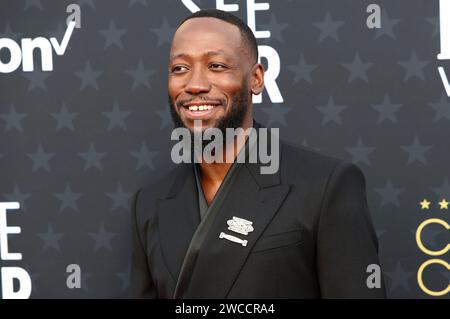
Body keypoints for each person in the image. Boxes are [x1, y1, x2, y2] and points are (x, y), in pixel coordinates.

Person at [130, 9, 386, 298]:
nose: (195, 84)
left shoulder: (325, 187)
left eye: (216, 66)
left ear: (256, 79)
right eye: (179, 68)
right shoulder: (151, 203)